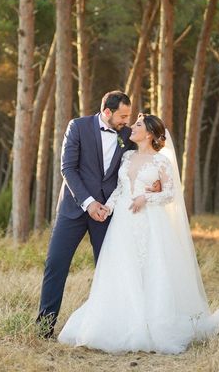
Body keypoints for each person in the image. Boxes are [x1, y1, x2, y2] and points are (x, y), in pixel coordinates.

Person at [58, 113, 219, 354]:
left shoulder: (161, 162)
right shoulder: (126, 156)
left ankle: (151, 322)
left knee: (150, 268)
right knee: (123, 269)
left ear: (150, 134)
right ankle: (121, 320)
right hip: (122, 222)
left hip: (149, 222)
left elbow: (170, 194)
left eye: (137, 125)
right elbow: (119, 189)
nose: (131, 127)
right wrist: (108, 207)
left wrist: (147, 197)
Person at [36, 91, 161, 338]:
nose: (127, 120)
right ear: (107, 112)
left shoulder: (127, 133)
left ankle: (114, 329)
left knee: (111, 269)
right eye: (123, 115)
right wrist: (89, 202)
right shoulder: (78, 127)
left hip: (107, 213)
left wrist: (157, 181)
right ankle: (44, 328)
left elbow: (149, 151)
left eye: (129, 116)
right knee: (56, 264)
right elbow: (68, 168)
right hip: (74, 208)